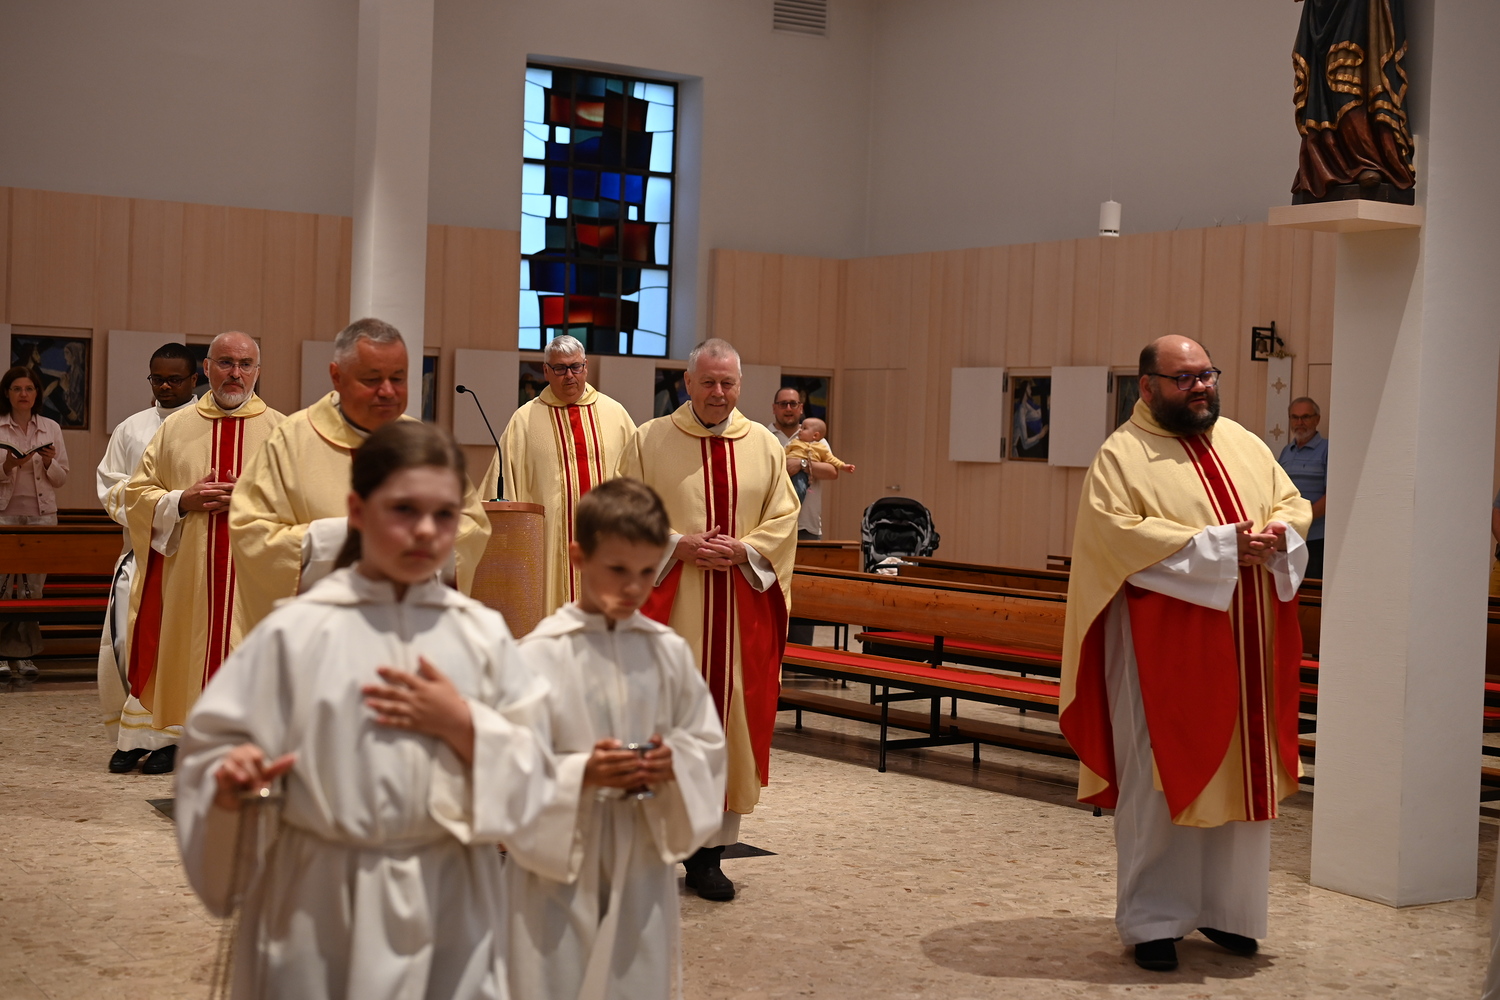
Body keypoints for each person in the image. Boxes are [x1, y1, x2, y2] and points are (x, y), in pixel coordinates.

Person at [176, 421, 557, 1000]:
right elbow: (215, 752)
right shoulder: (297, 633)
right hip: (318, 903)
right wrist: (231, 788)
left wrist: (463, 724)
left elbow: (542, 781)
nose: (426, 532)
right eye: (404, 509)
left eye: (445, 514)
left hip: (448, 902)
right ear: (357, 510)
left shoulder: (480, 636)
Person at [1059, 335, 1311, 973]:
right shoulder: (1122, 456)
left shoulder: (1244, 441)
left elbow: (1291, 502)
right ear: (1147, 386)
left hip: (1249, 644)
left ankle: (1229, 913)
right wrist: (1225, 547)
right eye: (1184, 379)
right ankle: (1154, 919)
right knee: (1160, 782)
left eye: (1207, 376)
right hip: (1163, 649)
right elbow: (1117, 534)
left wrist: (1278, 533)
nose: (1201, 388)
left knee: (1239, 779)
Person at [504, 478, 727, 1000]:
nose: (634, 589)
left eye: (648, 572)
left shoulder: (666, 653)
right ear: (578, 556)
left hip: (641, 855)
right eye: (618, 571)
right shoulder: (537, 656)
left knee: (635, 980)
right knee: (556, 980)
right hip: (560, 860)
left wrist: (675, 763)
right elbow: (505, 763)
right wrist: (581, 772)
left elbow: (705, 743)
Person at [617, 338, 799, 901]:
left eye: (728, 383)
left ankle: (708, 855)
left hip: (738, 614)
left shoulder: (764, 447)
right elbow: (622, 509)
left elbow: (784, 517)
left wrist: (745, 551)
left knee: (726, 729)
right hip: (672, 609)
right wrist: (675, 544)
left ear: (740, 386)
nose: (718, 393)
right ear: (687, 383)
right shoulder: (650, 440)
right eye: (708, 382)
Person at [229, 317, 491, 631]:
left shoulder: (427, 446)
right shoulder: (289, 440)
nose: (388, 391)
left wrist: (417, 538)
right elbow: (251, 532)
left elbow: (472, 525)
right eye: (371, 379)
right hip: (321, 633)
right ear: (336, 376)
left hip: (408, 627)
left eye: (399, 378)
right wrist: (344, 538)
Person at [119, 332, 284, 775]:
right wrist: (180, 501)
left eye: (245, 364)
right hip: (190, 575)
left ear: (258, 372)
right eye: (226, 362)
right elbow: (137, 494)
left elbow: (305, 503)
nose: (235, 372)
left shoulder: (282, 432)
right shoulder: (176, 427)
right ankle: (187, 745)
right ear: (206, 368)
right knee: (190, 654)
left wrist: (250, 502)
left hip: (254, 580)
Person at [96, 342, 199, 770]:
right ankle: (133, 736)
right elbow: (111, 488)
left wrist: (179, 503)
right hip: (141, 554)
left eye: (175, 379)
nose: (165, 386)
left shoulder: (208, 427)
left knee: (178, 652)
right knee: (127, 645)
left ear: (195, 379)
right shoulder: (131, 428)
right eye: (157, 378)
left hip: (190, 562)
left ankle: (174, 739)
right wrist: (170, 503)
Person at [481, 335, 636, 617]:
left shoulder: (616, 415)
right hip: (547, 547)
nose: (569, 376)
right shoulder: (525, 420)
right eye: (560, 368)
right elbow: (503, 489)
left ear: (586, 367)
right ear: (546, 371)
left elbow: (638, 481)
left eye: (576, 367)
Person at [1292, 0, 1415, 204]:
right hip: (1321, 7)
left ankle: (1368, 160)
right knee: (1321, 79)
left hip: (1359, 5)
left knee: (1350, 71)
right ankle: (1324, 160)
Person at [0, 365, 69, 681]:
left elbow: (61, 478)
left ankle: (24, 654)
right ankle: (1, 656)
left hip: (42, 517)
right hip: (5, 516)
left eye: (29, 388)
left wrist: (48, 461)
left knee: (32, 591)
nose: (23, 394)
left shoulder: (51, 427)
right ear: (7, 394)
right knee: (1, 588)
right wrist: (9, 466)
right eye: (17, 389)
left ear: (37, 393)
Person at [767, 387, 835, 540]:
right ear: (774, 408)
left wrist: (802, 464)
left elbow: (832, 472)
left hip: (807, 526)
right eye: (783, 404)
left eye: (793, 404)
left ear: (801, 407)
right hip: (771, 526)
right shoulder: (764, 437)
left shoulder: (815, 437)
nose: (788, 409)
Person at [1277, 397, 1328, 579]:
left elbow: (1332, 496)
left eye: (1305, 417)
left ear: (1317, 419)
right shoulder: (1286, 452)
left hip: (1316, 540)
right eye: (1295, 417)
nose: (1300, 423)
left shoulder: (1328, 449)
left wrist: (1303, 521)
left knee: (1312, 596)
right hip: (1289, 539)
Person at [783, 417, 854, 500]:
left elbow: (831, 460)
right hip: (786, 474)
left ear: (815, 435)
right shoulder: (794, 442)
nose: (800, 430)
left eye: (804, 428)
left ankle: (793, 508)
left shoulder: (821, 447)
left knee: (800, 488)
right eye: (801, 427)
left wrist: (843, 466)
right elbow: (782, 453)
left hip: (803, 475)